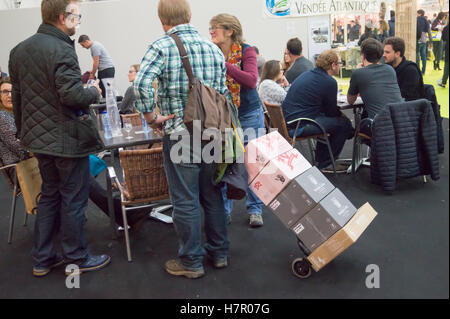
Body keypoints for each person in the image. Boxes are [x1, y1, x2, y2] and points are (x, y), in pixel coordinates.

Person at [8, 0, 111, 277]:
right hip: (66, 139)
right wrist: (94, 92)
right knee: (73, 199)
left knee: (50, 196)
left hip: (37, 139)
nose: (79, 21)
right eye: (77, 15)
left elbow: (17, 98)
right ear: (63, 17)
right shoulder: (62, 49)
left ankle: (43, 259)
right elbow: (72, 96)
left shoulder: (19, 50)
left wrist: (24, 131)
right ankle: (76, 258)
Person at [134, 0, 229, 279]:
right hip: (212, 132)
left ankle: (191, 262)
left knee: (186, 200)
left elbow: (140, 85)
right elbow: (222, 93)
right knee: (212, 194)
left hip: (180, 133)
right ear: (189, 15)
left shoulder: (161, 47)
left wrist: (151, 117)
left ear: (162, 19)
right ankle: (220, 253)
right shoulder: (213, 48)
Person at [0, 78, 148, 229]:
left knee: (78, 169)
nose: (10, 95)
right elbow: (21, 148)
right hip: (23, 170)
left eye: (12, 92)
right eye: (5, 92)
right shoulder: (3, 117)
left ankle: (118, 214)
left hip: (37, 161)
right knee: (78, 170)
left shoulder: (18, 115)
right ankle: (122, 214)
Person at [209, 13, 265, 227]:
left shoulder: (247, 51)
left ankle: (255, 209)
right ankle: (225, 210)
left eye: (216, 27)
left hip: (249, 114)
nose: (212, 31)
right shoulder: (210, 52)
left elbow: (251, 81)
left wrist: (224, 65)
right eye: (210, 28)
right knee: (225, 163)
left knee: (252, 163)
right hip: (223, 116)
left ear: (230, 31)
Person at [282, 50, 353, 173]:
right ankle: (327, 164)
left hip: (290, 122)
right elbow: (331, 112)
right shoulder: (329, 82)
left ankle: (322, 160)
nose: (341, 66)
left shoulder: (307, 74)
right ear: (333, 65)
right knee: (343, 124)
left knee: (333, 122)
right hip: (301, 125)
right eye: (340, 63)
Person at [347, 38, 403, 136]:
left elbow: (350, 100)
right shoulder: (390, 70)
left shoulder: (359, 73)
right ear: (381, 55)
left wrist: (358, 71)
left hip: (378, 126)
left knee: (357, 129)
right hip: (400, 122)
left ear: (363, 55)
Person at [383, 37, 425, 101]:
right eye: (383, 52)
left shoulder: (411, 70)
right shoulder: (386, 67)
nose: (384, 55)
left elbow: (408, 97)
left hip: (408, 108)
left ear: (397, 54)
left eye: (387, 52)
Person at [78, 34, 115, 98]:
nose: (83, 47)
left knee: (105, 91)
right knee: (102, 90)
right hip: (104, 70)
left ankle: (107, 106)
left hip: (106, 70)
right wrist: (92, 71)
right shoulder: (95, 45)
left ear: (86, 41)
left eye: (82, 45)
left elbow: (96, 63)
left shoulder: (95, 46)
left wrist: (92, 75)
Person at [417, 9, 433, 75]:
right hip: (424, 40)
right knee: (423, 56)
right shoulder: (427, 21)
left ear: (420, 13)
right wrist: (431, 41)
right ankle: (423, 71)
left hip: (418, 39)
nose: (416, 15)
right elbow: (429, 32)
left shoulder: (416, 20)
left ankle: (418, 71)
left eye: (417, 13)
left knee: (417, 57)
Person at [438, 21, 449, 88]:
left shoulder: (446, 28)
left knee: (447, 67)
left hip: (448, 49)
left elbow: (444, 38)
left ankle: (443, 83)